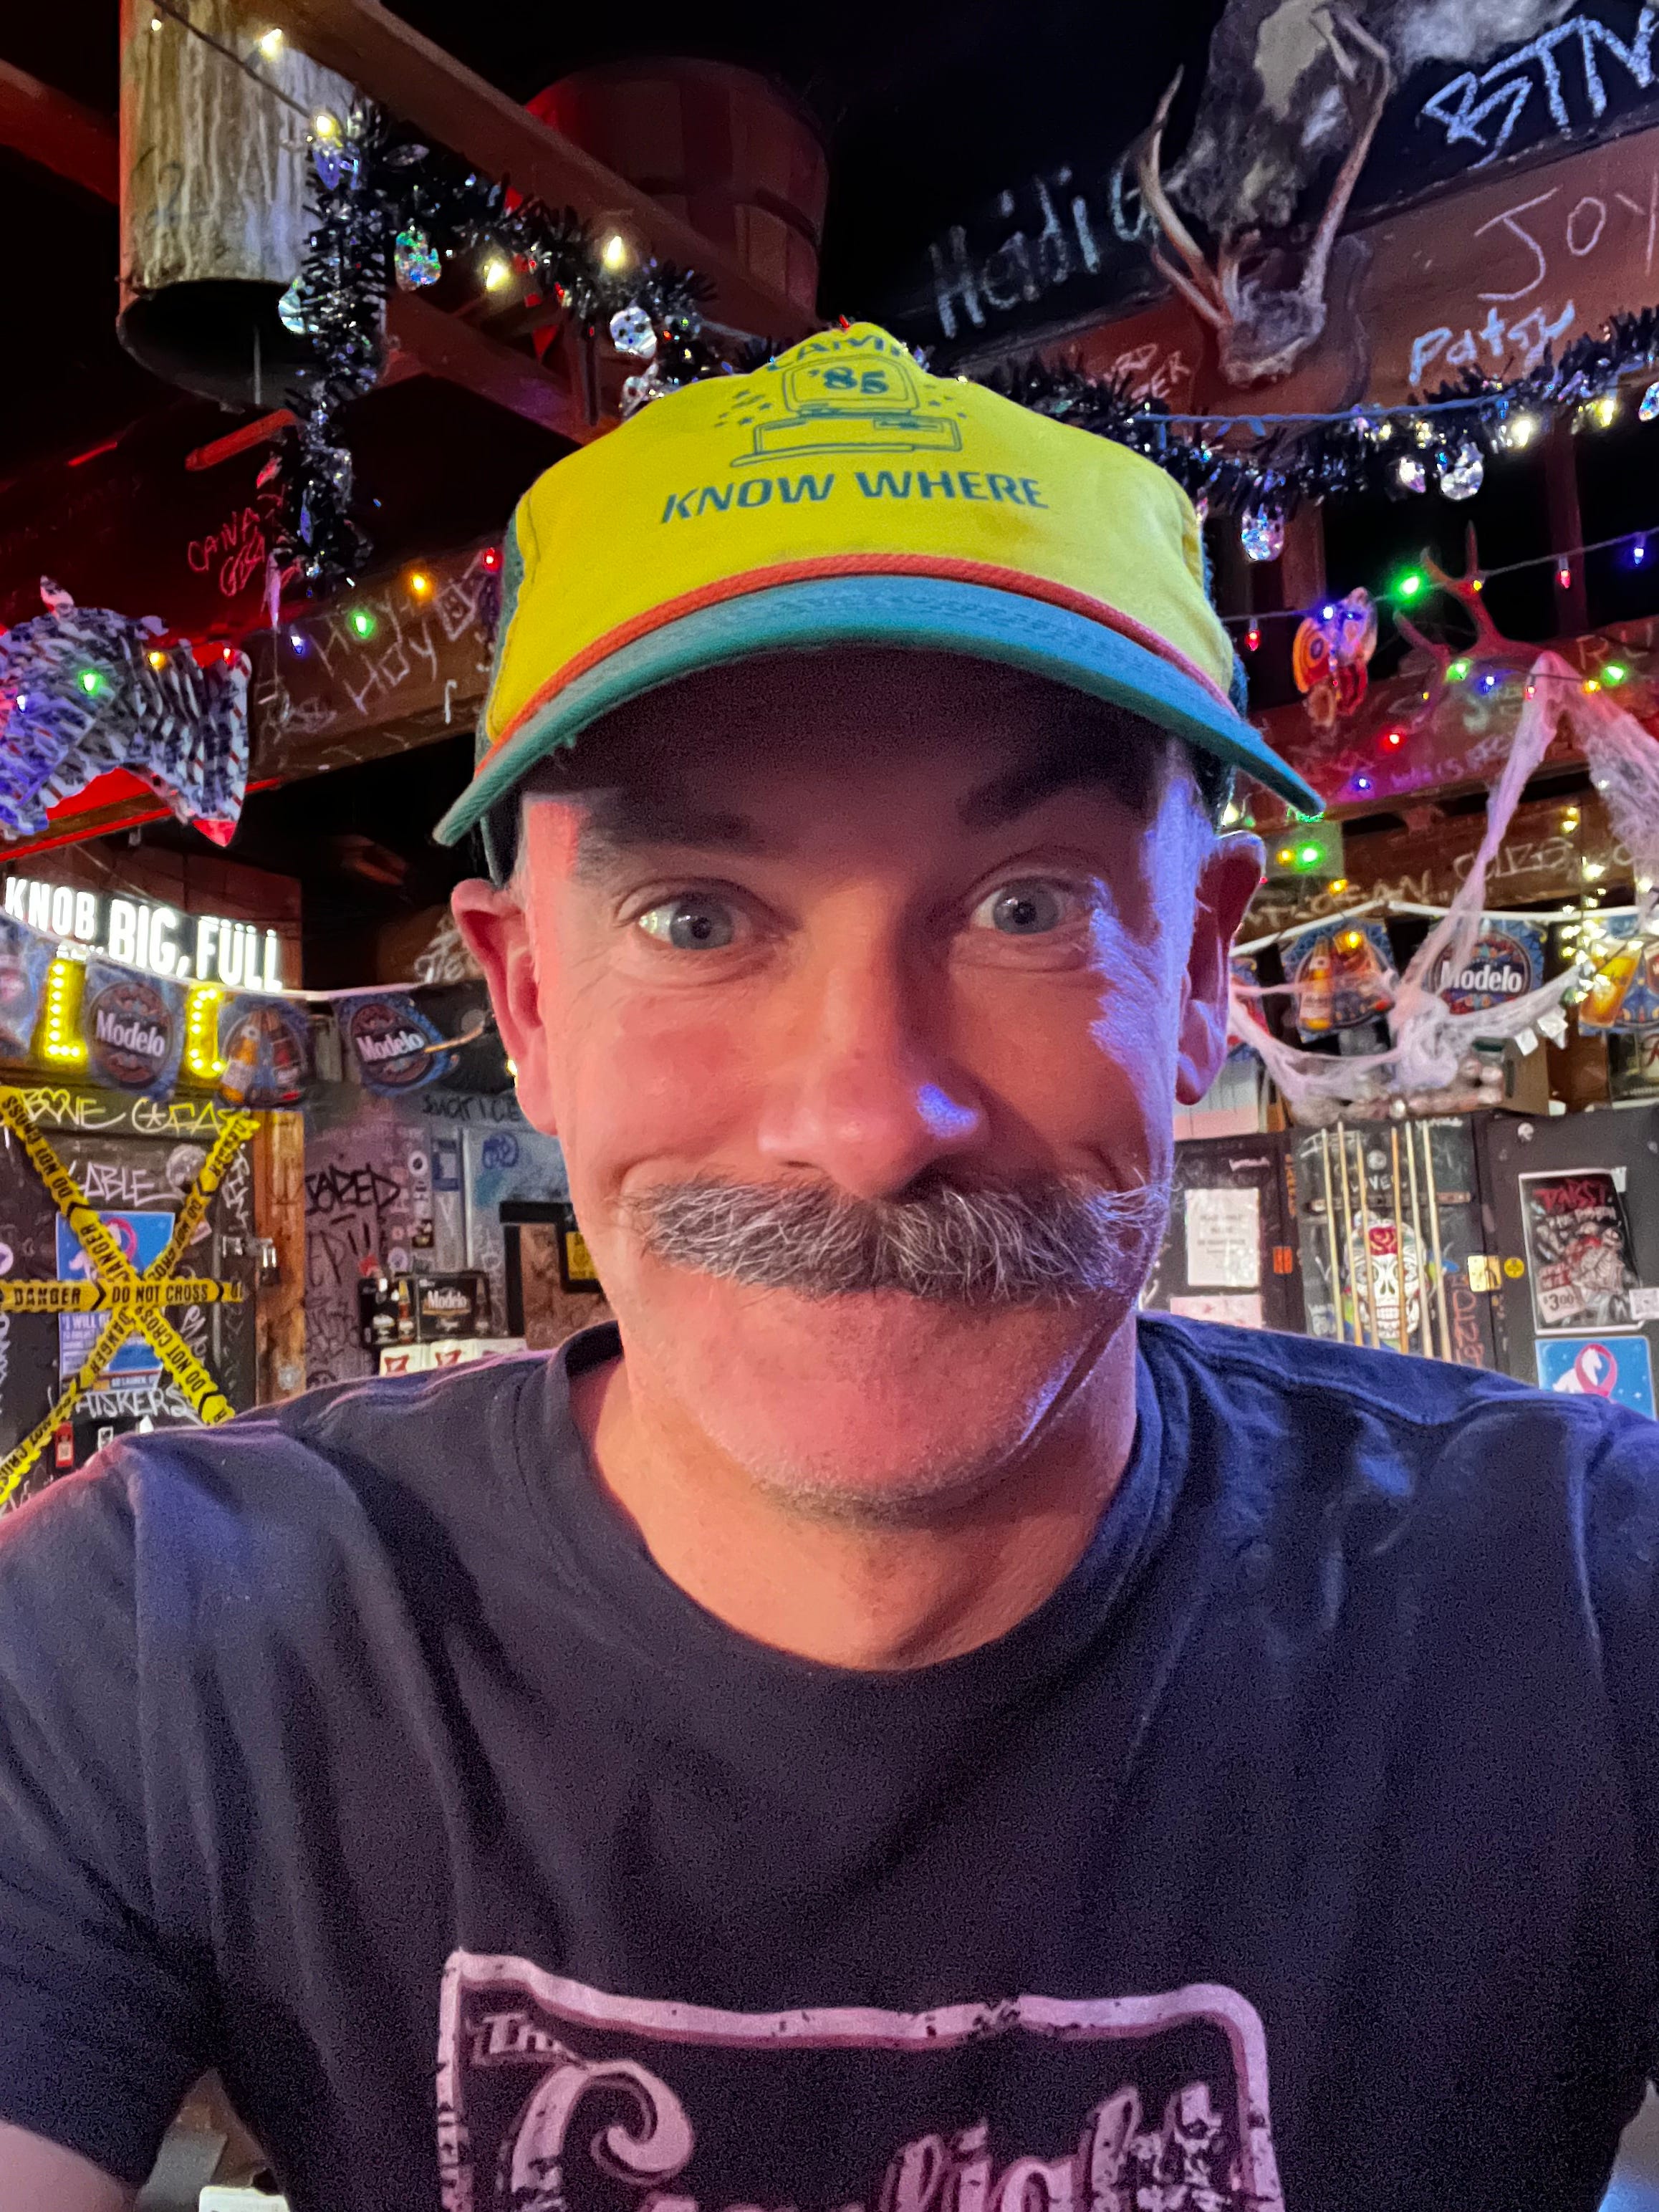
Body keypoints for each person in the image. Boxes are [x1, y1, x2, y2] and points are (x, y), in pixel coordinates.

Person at [1, 324, 1655, 2212]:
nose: (870, 1123)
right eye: (695, 920)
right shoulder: (153, 1644)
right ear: (528, 1005)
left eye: (1026, 907)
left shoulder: (1585, 1606)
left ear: (1202, 971)